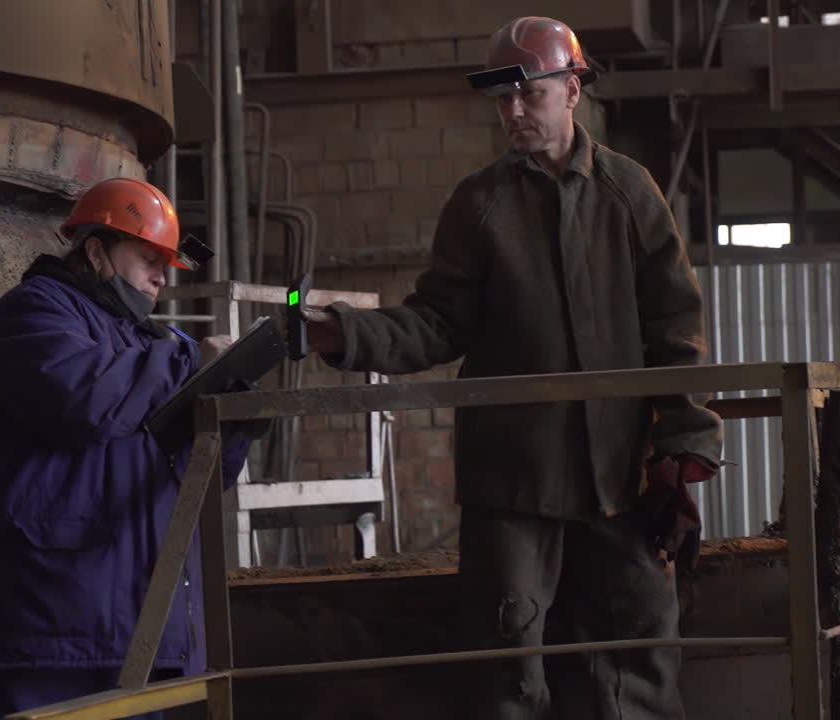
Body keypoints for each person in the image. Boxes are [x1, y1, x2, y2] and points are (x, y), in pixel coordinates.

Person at [304, 16, 723, 720]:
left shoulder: (631, 194)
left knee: (635, 663)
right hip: (513, 482)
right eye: (502, 100)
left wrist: (680, 449)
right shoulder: (480, 205)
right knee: (506, 667)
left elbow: (675, 332)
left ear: (572, 88)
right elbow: (436, 321)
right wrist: (340, 335)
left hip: (619, 475)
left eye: (528, 94)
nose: (514, 112)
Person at [0, 177, 252, 720]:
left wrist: (232, 402)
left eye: (166, 263)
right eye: (148, 256)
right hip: (45, 632)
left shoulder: (151, 345)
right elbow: (86, 399)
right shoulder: (30, 316)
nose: (160, 275)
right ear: (95, 252)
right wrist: (190, 366)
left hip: (135, 628)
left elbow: (205, 473)